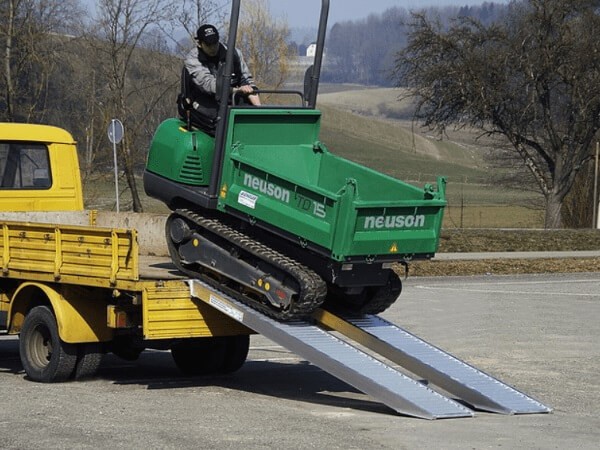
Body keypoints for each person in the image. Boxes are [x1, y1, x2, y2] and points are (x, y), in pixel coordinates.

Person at [178, 24, 260, 133]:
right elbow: (210, 85)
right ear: (200, 44)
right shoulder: (193, 60)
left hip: (231, 97)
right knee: (223, 121)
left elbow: (247, 80)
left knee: (252, 116)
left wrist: (259, 108)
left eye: (215, 43)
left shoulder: (234, 53)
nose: (213, 47)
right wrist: (237, 90)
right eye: (208, 44)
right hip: (203, 99)